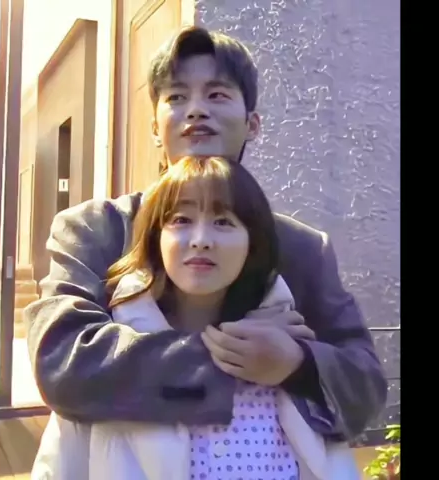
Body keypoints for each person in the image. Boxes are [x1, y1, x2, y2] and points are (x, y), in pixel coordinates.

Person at [24, 26, 386, 445]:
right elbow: (63, 362)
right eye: (177, 97)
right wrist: (232, 359)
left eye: (216, 95)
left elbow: (365, 385)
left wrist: (296, 362)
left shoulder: (302, 249)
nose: (196, 110)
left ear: (252, 124)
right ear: (155, 128)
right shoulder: (95, 230)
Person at [32, 156, 360, 480]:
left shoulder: (287, 357)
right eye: (181, 220)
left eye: (223, 222)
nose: (201, 240)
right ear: (155, 238)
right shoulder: (98, 373)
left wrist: (294, 364)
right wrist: (228, 352)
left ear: (253, 244)